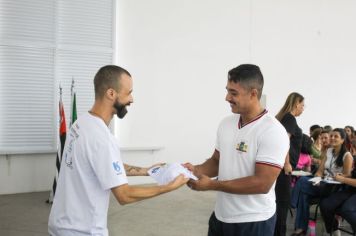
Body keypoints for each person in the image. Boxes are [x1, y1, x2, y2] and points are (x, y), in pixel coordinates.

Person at [48, 65, 188, 236]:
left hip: (60, 227)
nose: (132, 99)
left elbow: (103, 164)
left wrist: (147, 171)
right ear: (111, 93)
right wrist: (168, 187)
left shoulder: (80, 124)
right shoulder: (102, 138)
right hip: (82, 232)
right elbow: (124, 195)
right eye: (129, 92)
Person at [184, 64, 289, 236]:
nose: (227, 97)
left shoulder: (272, 131)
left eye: (234, 93)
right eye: (227, 91)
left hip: (254, 221)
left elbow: (262, 183)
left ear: (253, 93)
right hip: (221, 216)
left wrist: (212, 185)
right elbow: (217, 161)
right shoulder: (226, 123)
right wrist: (194, 170)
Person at [290, 128, 353, 236]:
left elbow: (347, 176)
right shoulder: (328, 151)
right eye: (331, 136)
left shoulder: (347, 156)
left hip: (335, 188)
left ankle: (292, 204)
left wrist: (337, 177)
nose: (332, 138)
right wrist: (317, 178)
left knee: (303, 181)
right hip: (323, 184)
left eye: (336, 136)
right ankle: (301, 229)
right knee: (304, 194)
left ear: (342, 140)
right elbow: (319, 171)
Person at [274, 92, 304, 236]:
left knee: (279, 203)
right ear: (297, 103)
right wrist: (287, 163)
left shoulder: (284, 117)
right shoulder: (290, 118)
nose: (303, 109)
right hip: (283, 168)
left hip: (280, 167)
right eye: (302, 105)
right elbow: (284, 141)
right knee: (282, 204)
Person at [320, 168, 356, 234]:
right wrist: (344, 176)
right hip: (351, 189)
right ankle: (334, 230)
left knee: (347, 210)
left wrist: (343, 179)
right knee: (325, 205)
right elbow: (354, 174)